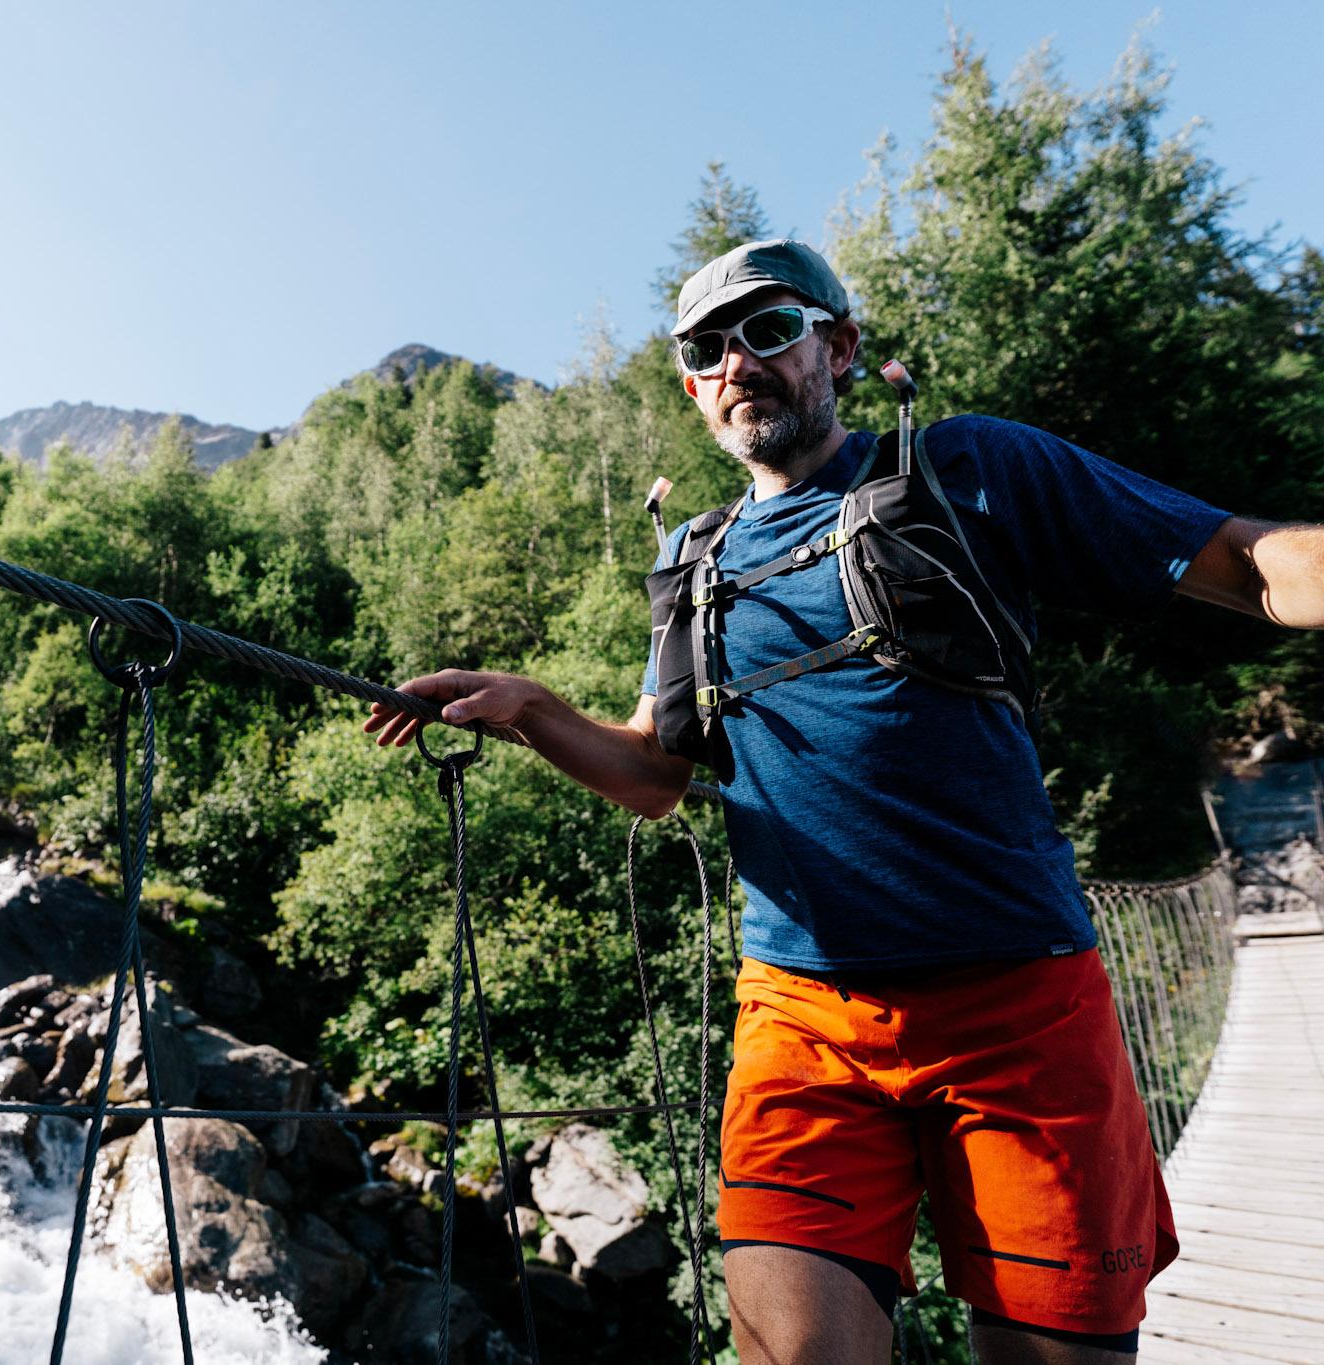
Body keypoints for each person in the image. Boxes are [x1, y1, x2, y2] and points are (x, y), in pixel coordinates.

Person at [363, 238, 1324, 1364]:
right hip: (801, 1022)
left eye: (767, 330)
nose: (736, 362)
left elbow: (1247, 563)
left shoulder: (965, 470)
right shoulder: (695, 559)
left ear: (838, 347)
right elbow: (654, 775)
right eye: (705, 348)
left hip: (1017, 1007)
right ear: (688, 385)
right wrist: (531, 708)